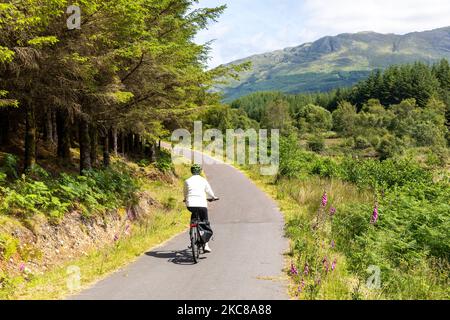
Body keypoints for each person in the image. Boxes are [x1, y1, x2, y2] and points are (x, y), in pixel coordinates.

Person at [184, 164, 218, 253]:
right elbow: (209, 191)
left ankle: (192, 232)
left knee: (194, 217)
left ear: (191, 171)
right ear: (199, 171)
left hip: (190, 205)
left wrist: (185, 199)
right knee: (205, 222)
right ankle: (206, 244)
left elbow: (185, 192)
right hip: (201, 204)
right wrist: (213, 197)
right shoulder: (203, 180)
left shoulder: (187, 181)